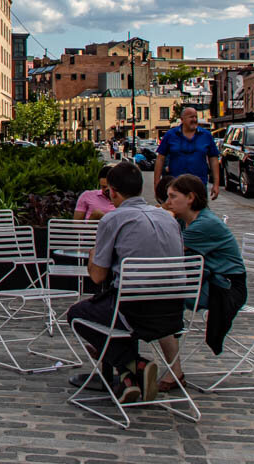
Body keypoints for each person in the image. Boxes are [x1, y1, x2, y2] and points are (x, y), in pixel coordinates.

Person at [65, 160, 184, 404]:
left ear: (112, 192)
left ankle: (134, 365)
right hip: (172, 313)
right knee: (111, 306)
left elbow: (97, 276)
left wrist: (92, 254)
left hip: (133, 313)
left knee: (78, 314)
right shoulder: (169, 219)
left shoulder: (114, 219)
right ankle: (128, 378)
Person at [158, 174, 246, 387]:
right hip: (208, 281)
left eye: (172, 197)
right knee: (159, 295)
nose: (166, 202)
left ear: (190, 198)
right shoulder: (187, 220)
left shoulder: (204, 225)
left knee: (159, 300)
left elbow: (165, 249)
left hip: (225, 288)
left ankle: (173, 370)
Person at [153, 107, 220, 201]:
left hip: (199, 185)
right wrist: (157, 184)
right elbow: (160, 159)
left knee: (200, 213)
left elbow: (213, 159)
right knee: (175, 213)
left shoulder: (206, 135)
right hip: (175, 185)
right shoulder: (170, 135)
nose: (194, 120)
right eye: (191, 117)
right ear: (182, 119)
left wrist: (216, 184)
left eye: (196, 117)